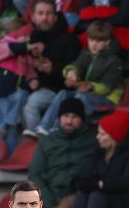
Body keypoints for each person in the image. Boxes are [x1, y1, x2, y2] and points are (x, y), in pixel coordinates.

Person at [35, 21, 123, 136]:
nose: (93, 45)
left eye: (99, 41)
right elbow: (77, 65)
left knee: (80, 97)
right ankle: (43, 127)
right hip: (87, 93)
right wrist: (71, 72)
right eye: (91, 40)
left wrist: (90, 86)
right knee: (63, 93)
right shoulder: (86, 53)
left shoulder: (114, 61)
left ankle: (57, 131)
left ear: (107, 42)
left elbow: (107, 88)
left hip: (107, 98)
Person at [10, 0, 81, 138]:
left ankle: (41, 145)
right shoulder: (30, 39)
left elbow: (74, 73)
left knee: (30, 105)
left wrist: (51, 70)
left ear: (55, 17)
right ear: (33, 17)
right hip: (32, 87)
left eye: (49, 13)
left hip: (58, 89)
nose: (44, 17)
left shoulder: (70, 39)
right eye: (40, 13)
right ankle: (11, 150)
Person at [28, 98, 100, 208]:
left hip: (75, 193)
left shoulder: (93, 141)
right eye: (65, 116)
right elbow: (34, 174)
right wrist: (49, 204)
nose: (69, 121)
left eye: (74, 117)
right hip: (47, 193)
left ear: (82, 119)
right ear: (60, 118)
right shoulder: (47, 141)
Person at [0, 15, 33, 146]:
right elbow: (12, 48)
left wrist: (33, 79)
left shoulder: (25, 52)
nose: (28, 39)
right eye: (26, 35)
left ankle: (3, 125)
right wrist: (28, 46)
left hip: (16, 91)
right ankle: (10, 158)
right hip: (1, 93)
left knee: (21, 95)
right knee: (11, 129)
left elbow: (30, 70)